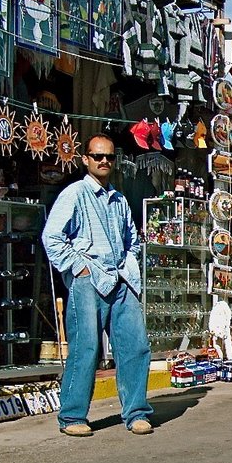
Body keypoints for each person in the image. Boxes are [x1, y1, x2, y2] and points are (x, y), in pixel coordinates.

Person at [42, 134, 154, 437]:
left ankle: (136, 412)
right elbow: (52, 238)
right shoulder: (74, 194)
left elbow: (132, 239)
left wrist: (130, 266)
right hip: (88, 279)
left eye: (109, 157)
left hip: (121, 278)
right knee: (86, 347)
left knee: (135, 346)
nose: (104, 161)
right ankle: (73, 416)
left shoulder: (118, 199)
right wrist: (77, 268)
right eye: (97, 156)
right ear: (86, 159)